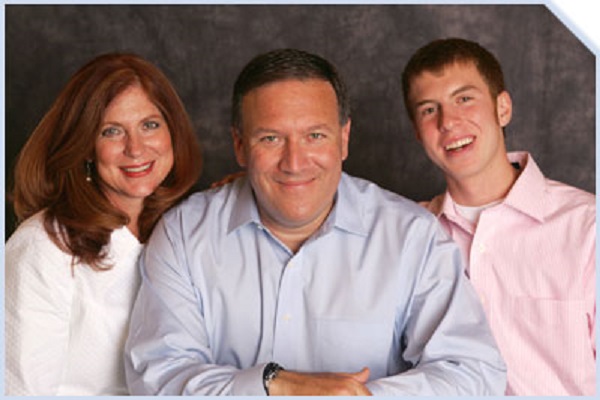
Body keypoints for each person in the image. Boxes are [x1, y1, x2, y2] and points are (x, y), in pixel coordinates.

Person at [124, 48, 506, 396]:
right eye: (271, 138)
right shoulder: (183, 235)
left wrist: (362, 398)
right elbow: (157, 376)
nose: (295, 162)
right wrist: (273, 385)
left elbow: (473, 371)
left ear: (344, 139)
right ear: (240, 146)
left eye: (315, 135)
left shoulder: (411, 235)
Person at [401, 38, 596, 395]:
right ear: (418, 132)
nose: (448, 122)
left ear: (502, 108)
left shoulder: (588, 228)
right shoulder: (405, 235)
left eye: (464, 99)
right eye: (429, 109)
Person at [5, 53, 202, 395]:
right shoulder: (44, 245)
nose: (136, 148)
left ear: (174, 132)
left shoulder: (179, 229)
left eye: (150, 125)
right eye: (112, 131)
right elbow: (20, 390)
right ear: (84, 146)